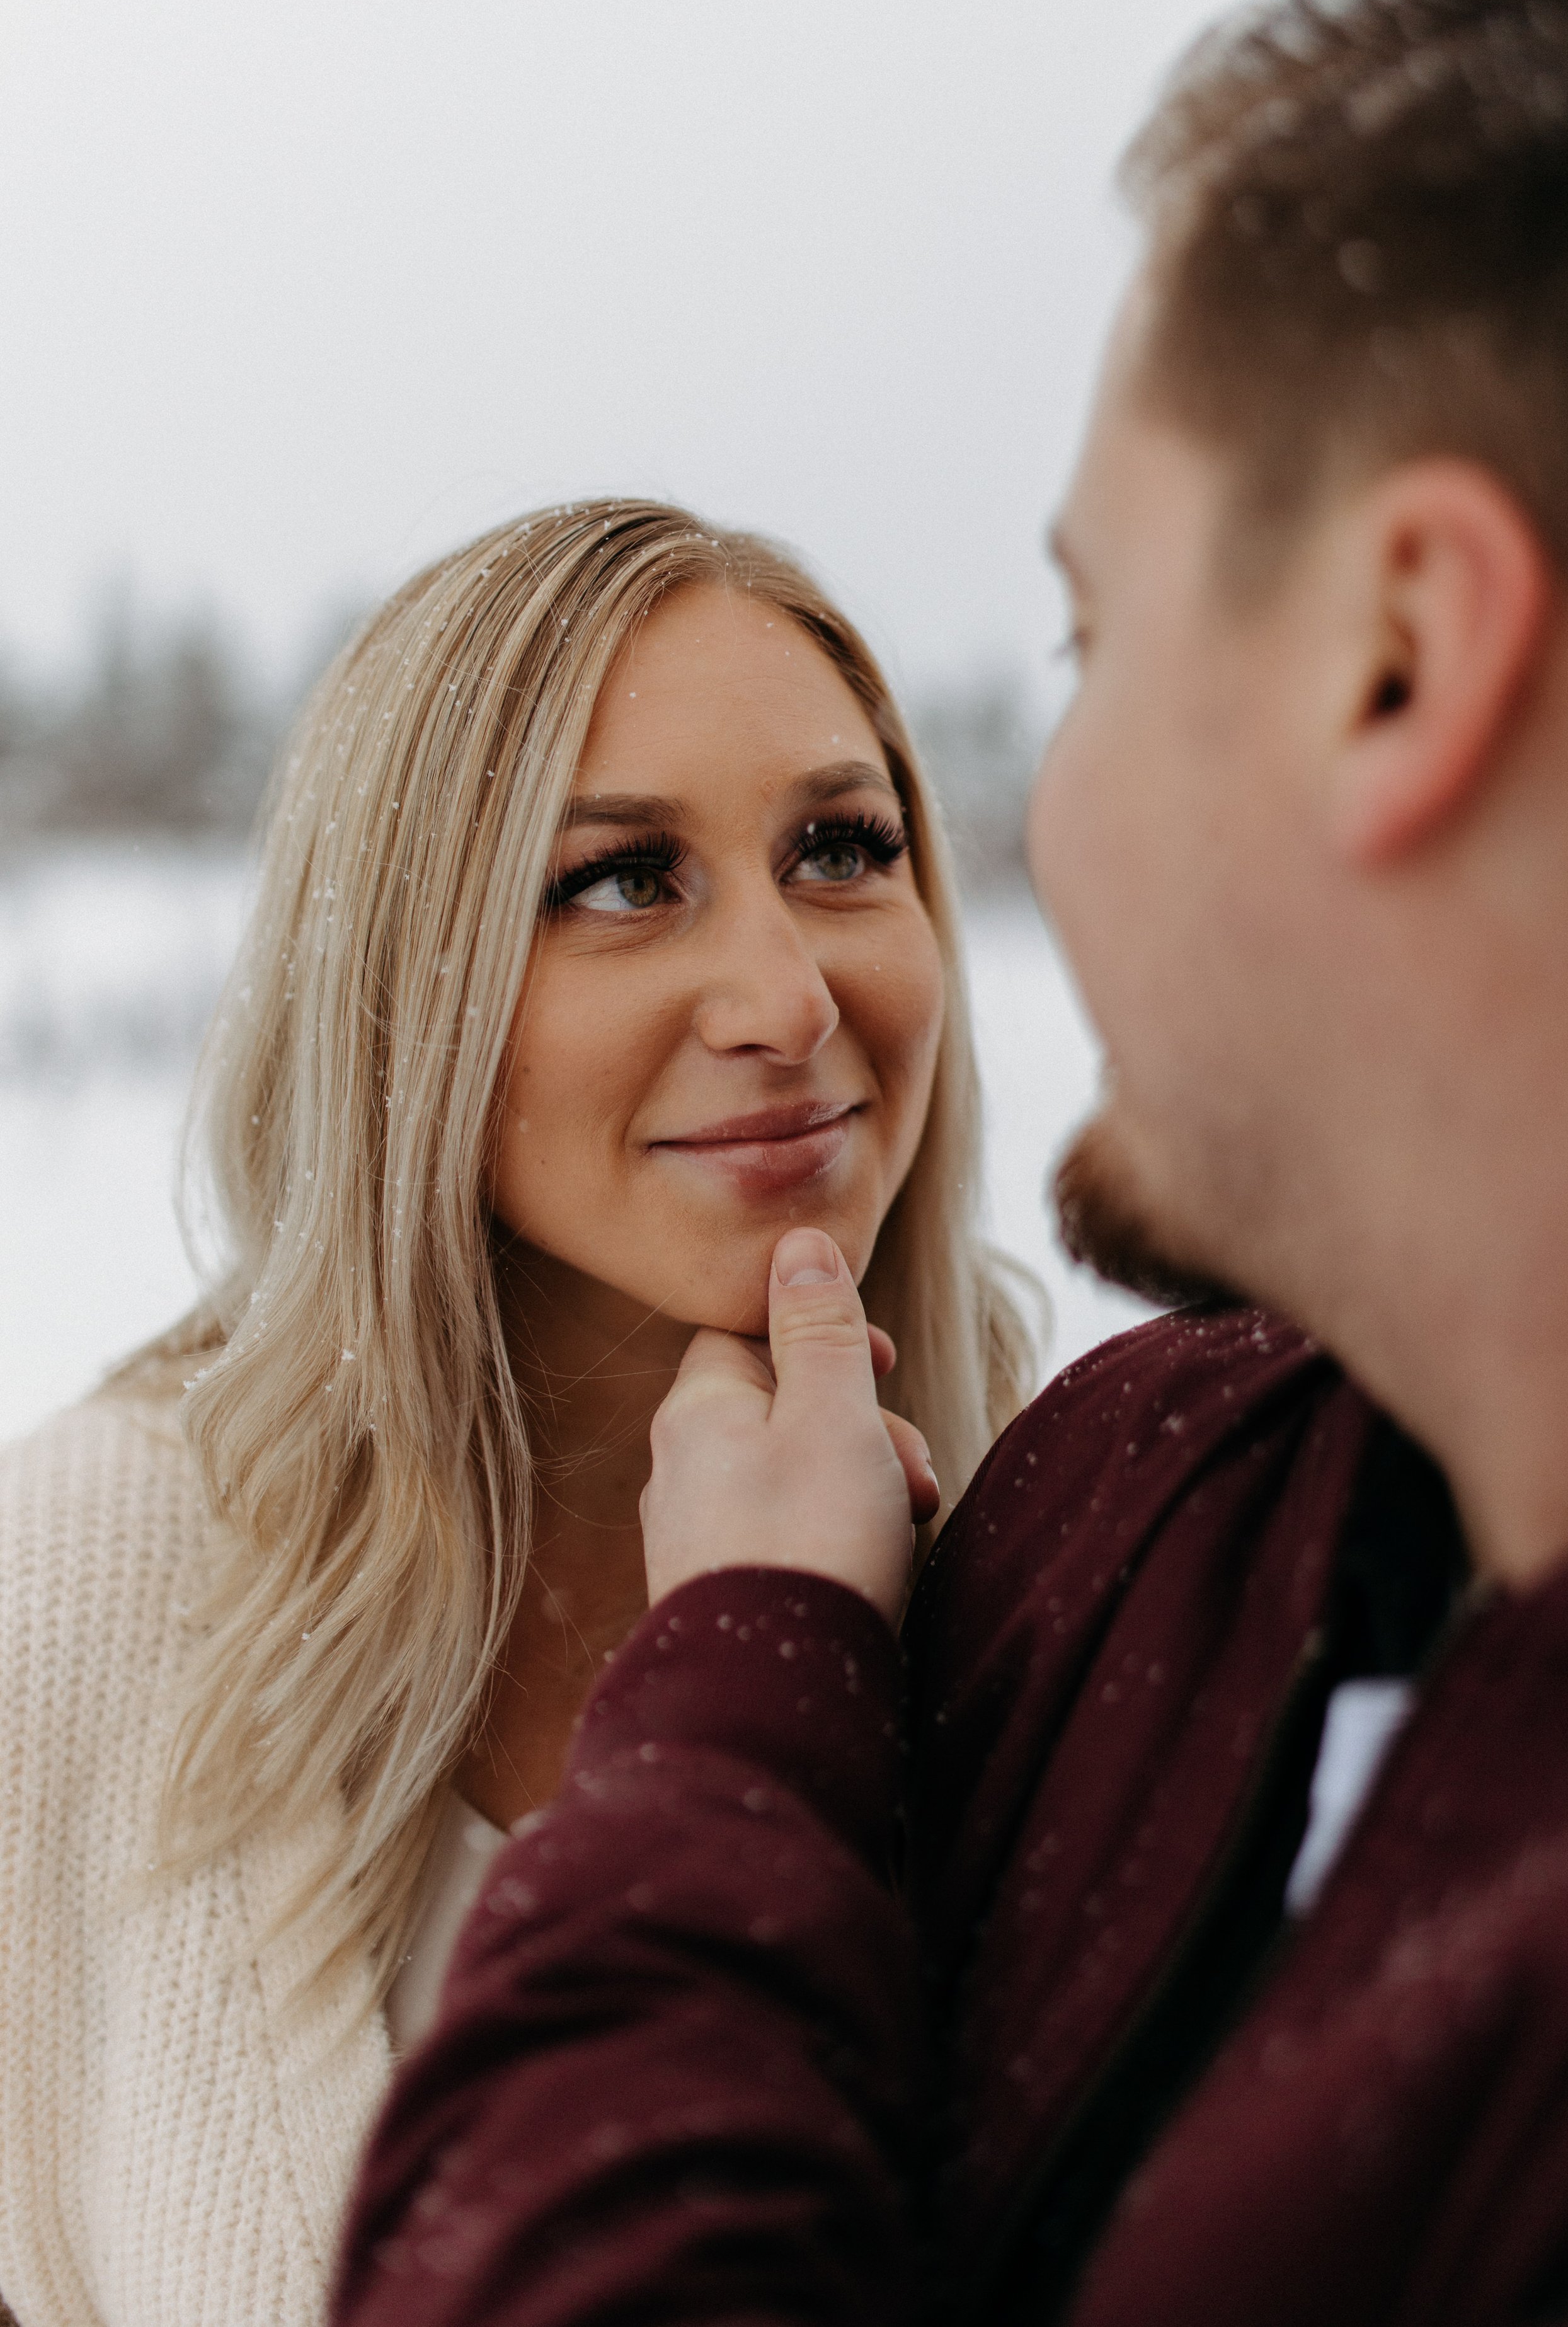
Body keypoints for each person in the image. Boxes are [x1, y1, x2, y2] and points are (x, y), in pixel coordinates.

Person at [331, 0, 1568, 2324]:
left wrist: (740, 1658)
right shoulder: (1140, 1502)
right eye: (617, 876)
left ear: (1399, 660)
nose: (798, 1002)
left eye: (1088, 645)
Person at [0, 500, 1036, 2327]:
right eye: (625, 879)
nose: (788, 999)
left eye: (840, 848)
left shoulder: (1080, 1551)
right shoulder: (66, 1602)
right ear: (406, 993)